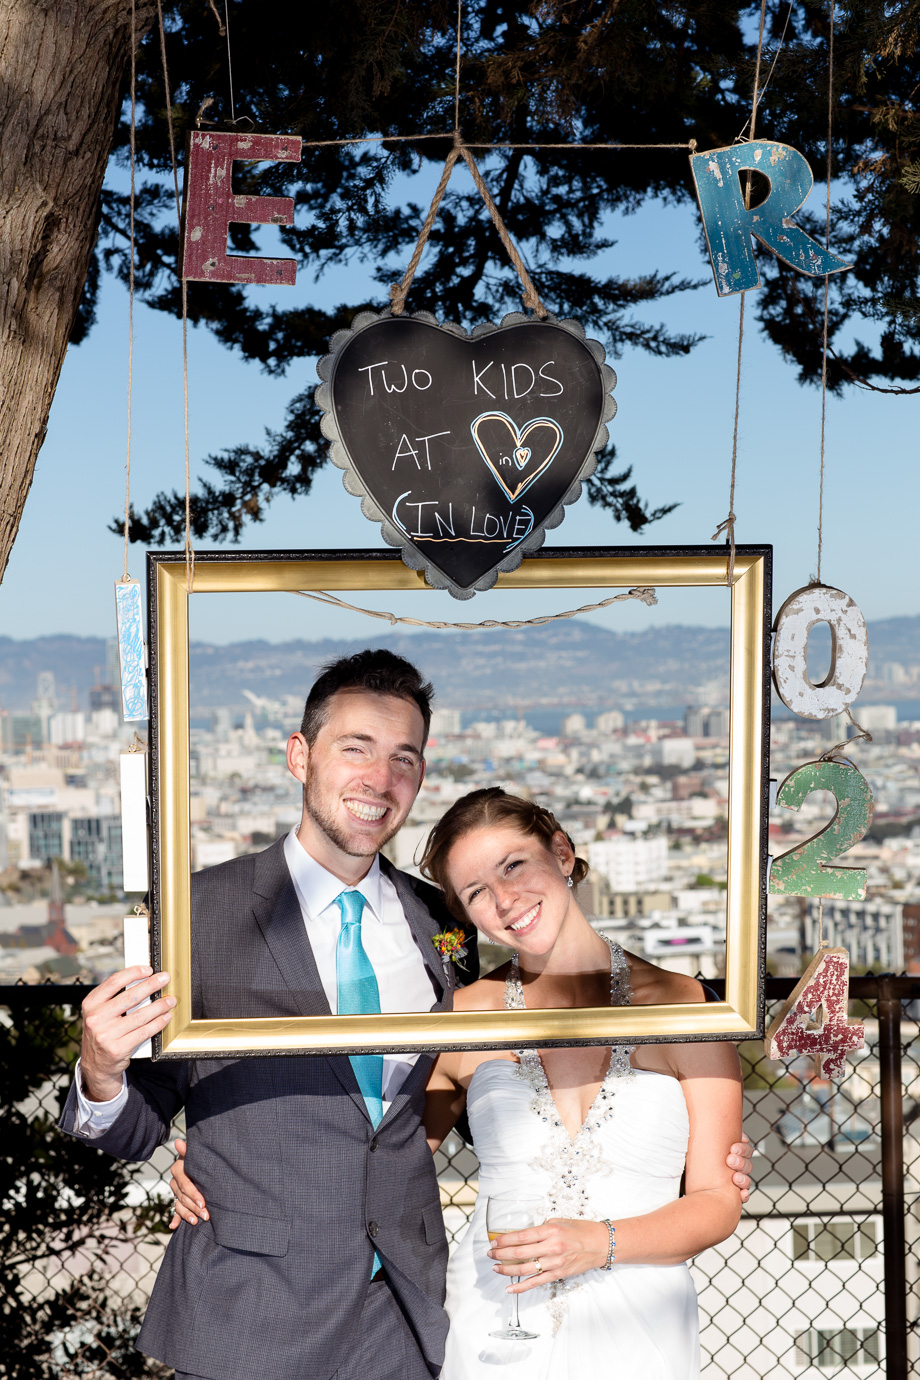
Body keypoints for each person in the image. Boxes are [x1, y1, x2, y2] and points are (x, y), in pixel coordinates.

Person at [166, 771, 753, 1377]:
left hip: (642, 1325)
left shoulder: (688, 1009)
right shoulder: (462, 1017)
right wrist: (228, 1164)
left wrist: (596, 1243)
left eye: (514, 865)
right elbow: (377, 1150)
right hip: (497, 1319)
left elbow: (717, 1203)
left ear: (561, 851)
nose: (504, 900)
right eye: (475, 892)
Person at [59, 650, 478, 1380]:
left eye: (403, 759)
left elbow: (464, 1079)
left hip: (404, 1315)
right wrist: (100, 1070)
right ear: (299, 756)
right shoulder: (196, 914)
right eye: (356, 749)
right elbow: (137, 1125)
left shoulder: (444, 921)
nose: (380, 781)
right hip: (250, 1313)